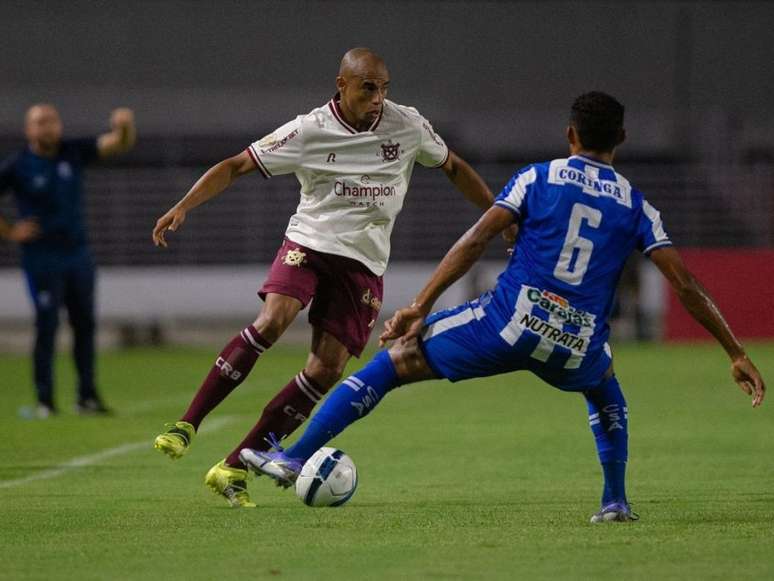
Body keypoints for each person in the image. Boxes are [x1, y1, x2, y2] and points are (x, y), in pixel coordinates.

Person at [242, 91, 766, 523]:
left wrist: (420, 306)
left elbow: (475, 241)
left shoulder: (537, 178)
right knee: (604, 388)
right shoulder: (636, 204)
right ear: (622, 140)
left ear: (570, 135)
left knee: (395, 359)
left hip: (508, 323)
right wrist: (735, 352)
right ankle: (615, 501)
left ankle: (291, 456)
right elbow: (686, 283)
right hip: (577, 342)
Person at [151, 48, 501, 507]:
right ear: (342, 84)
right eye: (367, 88)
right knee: (273, 320)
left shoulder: (407, 125)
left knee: (327, 369)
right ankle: (187, 423)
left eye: (384, 88)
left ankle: (234, 465)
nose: (378, 98)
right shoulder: (309, 129)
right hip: (310, 244)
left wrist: (500, 215)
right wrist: (183, 205)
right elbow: (236, 165)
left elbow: (453, 167)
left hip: (364, 264)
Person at [0, 104, 136, 418]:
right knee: (47, 326)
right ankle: (45, 400)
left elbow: (117, 143)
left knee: (85, 324)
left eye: (52, 121)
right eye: (40, 122)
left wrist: (124, 127)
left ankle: (87, 397)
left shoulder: (71, 152)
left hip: (78, 255)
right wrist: (10, 231)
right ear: (28, 130)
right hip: (42, 258)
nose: (47, 127)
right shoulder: (18, 165)